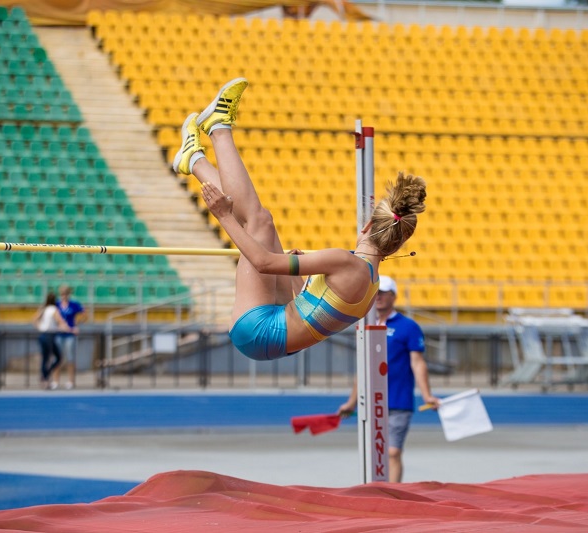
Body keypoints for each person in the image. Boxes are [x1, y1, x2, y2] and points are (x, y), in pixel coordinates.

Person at [172, 78, 427, 361]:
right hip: (276, 334)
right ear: (393, 246)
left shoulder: (345, 261)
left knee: (255, 220)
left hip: (258, 330)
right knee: (264, 224)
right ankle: (193, 159)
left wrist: (223, 216)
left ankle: (218, 129)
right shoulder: (372, 284)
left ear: (367, 227)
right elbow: (308, 309)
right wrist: (296, 282)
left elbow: (263, 263)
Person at [338, 275, 440, 482]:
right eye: (376, 293)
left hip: (398, 400)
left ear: (393, 296)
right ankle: (375, 492)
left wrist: (427, 395)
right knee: (373, 452)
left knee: (392, 452)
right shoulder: (363, 326)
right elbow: (363, 368)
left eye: (384, 293)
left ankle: (392, 493)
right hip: (371, 402)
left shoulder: (408, 327)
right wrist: (352, 402)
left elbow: (417, 363)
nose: (379, 297)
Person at [52, 284, 87, 390]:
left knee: (70, 358)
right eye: (62, 294)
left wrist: (77, 324)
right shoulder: (57, 304)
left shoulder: (74, 304)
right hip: (59, 333)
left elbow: (84, 314)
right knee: (57, 358)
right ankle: (55, 381)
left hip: (70, 334)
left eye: (66, 294)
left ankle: (70, 381)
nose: (64, 296)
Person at [33, 291, 70, 390]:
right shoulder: (53, 309)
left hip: (44, 335)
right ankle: (45, 377)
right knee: (55, 358)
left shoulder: (44, 308)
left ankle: (45, 377)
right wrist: (69, 329)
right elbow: (60, 321)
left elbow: (35, 319)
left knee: (46, 358)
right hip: (49, 335)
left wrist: (40, 327)